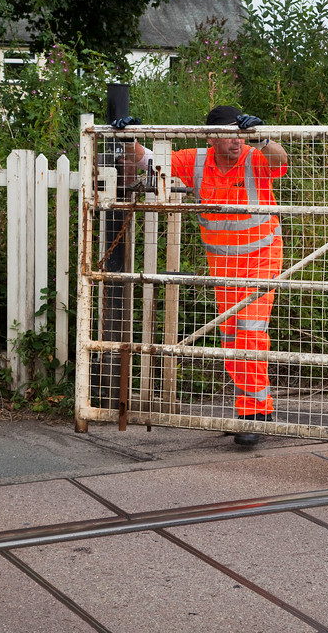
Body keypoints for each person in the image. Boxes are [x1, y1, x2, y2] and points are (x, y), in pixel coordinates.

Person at [120, 106, 287, 446]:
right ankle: (263, 407)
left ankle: (252, 416)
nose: (236, 141)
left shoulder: (255, 157)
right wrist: (127, 139)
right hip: (223, 266)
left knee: (249, 331)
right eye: (229, 134)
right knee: (231, 337)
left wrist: (263, 136)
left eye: (240, 133)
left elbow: (279, 159)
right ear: (211, 137)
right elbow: (148, 160)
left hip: (262, 260)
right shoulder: (196, 160)